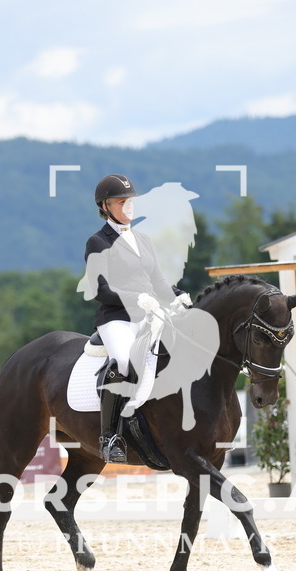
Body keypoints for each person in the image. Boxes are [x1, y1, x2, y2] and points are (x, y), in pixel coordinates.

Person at [82, 173, 192, 464]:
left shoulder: (143, 240)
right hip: (116, 318)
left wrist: (178, 295)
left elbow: (157, 281)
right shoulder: (97, 242)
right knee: (122, 361)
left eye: (131, 202)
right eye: (121, 202)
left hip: (151, 314)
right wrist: (133, 299)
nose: (128, 207)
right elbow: (99, 289)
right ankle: (109, 437)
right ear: (104, 207)